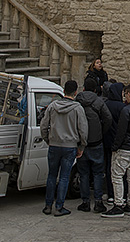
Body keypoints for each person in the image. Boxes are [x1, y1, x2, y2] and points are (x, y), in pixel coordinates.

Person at [40, 79, 88, 217]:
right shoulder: (78, 108)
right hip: (69, 145)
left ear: (63, 91)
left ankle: (48, 205)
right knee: (64, 177)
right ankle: (59, 206)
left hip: (54, 144)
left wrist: (48, 139)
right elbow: (83, 130)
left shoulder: (52, 106)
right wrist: (82, 146)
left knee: (51, 175)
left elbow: (44, 125)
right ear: (76, 92)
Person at [101, 83, 130, 218]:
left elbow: (121, 131)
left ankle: (118, 204)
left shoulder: (127, 110)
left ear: (129, 94)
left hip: (125, 147)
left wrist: (115, 146)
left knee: (117, 175)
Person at [75, 77, 112, 212]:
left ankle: (85, 202)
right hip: (96, 141)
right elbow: (108, 118)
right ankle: (97, 201)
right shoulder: (99, 102)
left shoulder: (77, 101)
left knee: (83, 173)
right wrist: (101, 131)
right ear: (96, 89)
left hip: (81, 142)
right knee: (97, 173)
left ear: (83, 88)